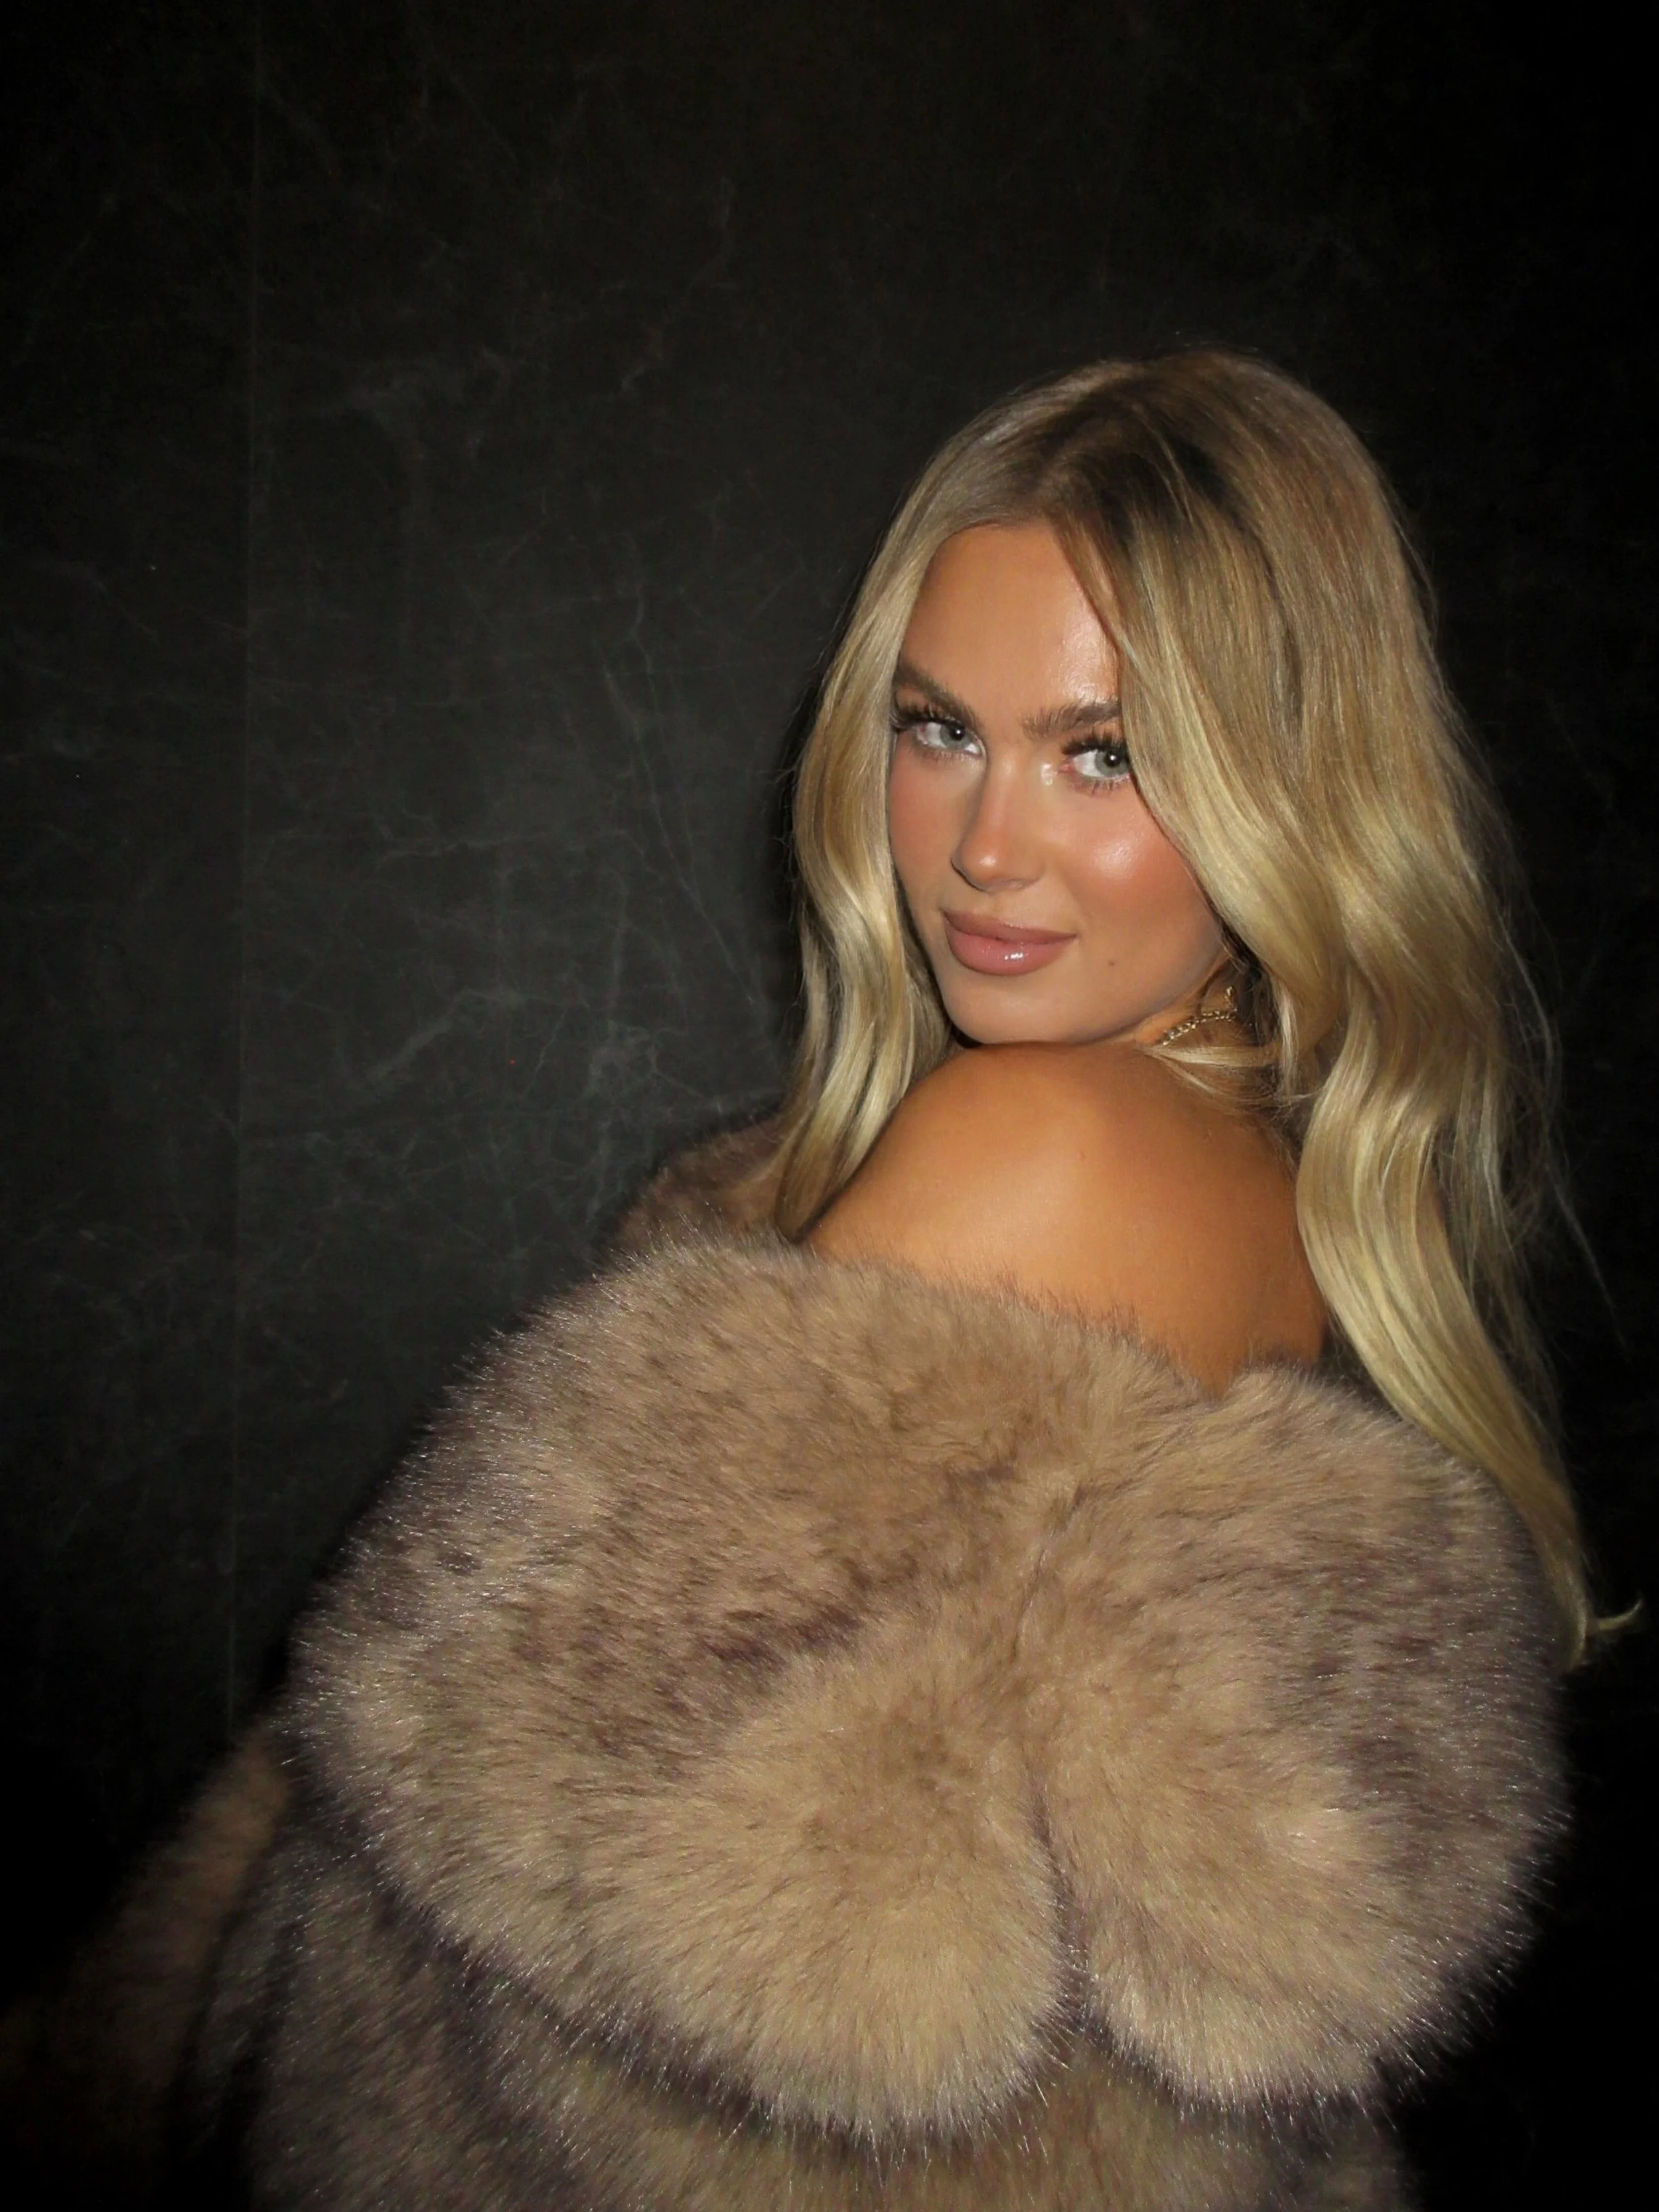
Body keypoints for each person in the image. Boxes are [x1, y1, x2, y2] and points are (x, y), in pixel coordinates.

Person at [1, 352, 1571, 2209]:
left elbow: (524, 1957)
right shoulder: (1257, 1172)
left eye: (1102, 752)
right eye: (935, 727)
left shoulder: (1037, 1142)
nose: (984, 845)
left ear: (1281, 780)